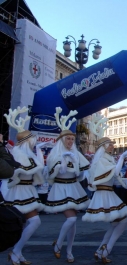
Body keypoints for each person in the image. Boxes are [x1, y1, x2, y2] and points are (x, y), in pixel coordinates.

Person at [83, 114, 127, 263]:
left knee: (116, 223)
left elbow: (116, 176)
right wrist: (123, 157)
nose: (113, 145)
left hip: (109, 193)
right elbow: (114, 172)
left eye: (112, 143)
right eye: (110, 143)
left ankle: (101, 250)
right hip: (104, 194)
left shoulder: (108, 159)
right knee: (122, 222)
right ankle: (105, 250)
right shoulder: (101, 160)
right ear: (104, 146)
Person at [44, 108, 90, 263]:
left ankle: (69, 250)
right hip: (60, 188)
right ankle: (58, 244)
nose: (70, 141)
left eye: (72, 139)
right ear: (62, 140)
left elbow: (83, 174)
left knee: (73, 221)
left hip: (73, 187)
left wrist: (78, 170)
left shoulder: (77, 154)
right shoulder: (55, 155)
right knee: (71, 220)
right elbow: (50, 176)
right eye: (68, 139)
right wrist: (60, 165)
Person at [2, 107, 47, 265]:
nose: (34, 140)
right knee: (26, 222)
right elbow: (20, 171)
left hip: (27, 190)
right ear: (26, 140)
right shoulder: (18, 153)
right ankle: (16, 252)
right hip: (19, 191)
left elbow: (37, 173)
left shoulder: (28, 154)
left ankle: (17, 252)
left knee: (30, 222)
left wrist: (39, 155)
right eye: (31, 138)